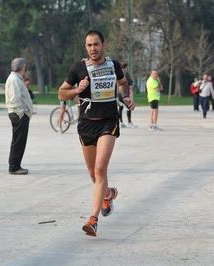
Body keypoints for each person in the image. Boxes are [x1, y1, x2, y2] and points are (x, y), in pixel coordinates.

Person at [58, 29, 135, 237]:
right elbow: (61, 92)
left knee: (101, 169)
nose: (93, 48)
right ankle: (109, 193)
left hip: (108, 123)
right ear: (86, 47)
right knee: (93, 173)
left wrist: (125, 97)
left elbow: (122, 82)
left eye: (96, 44)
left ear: (104, 45)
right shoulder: (78, 68)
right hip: (86, 125)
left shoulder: (114, 65)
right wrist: (77, 89)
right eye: (89, 45)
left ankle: (93, 219)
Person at [5, 58, 34, 175]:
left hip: (19, 114)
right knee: (18, 141)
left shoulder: (15, 79)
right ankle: (14, 166)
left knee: (19, 141)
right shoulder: (14, 80)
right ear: (22, 67)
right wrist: (21, 114)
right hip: (18, 115)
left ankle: (15, 165)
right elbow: (15, 99)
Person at [118, 62, 137, 128]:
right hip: (125, 93)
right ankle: (129, 122)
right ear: (126, 67)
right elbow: (130, 82)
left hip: (118, 93)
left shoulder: (118, 72)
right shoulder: (125, 73)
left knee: (120, 107)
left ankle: (121, 122)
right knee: (129, 107)